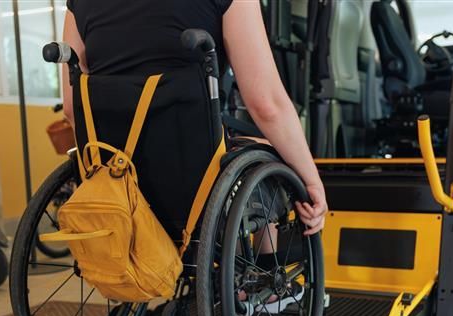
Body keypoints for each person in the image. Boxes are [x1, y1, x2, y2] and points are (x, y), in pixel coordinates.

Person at [62, 0, 327, 236]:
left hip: (113, 179)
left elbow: (73, 109)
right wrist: (312, 180)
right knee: (265, 156)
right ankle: (261, 273)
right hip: (191, 178)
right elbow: (266, 105)